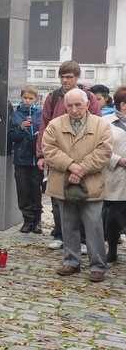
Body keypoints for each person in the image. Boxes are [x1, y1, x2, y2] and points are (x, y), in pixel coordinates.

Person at [42, 88, 112, 282]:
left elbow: (104, 152)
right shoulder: (55, 125)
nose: (74, 109)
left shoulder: (101, 125)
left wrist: (81, 169)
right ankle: (71, 261)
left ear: (88, 104)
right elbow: (49, 149)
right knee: (68, 224)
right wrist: (71, 166)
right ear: (65, 106)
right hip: (63, 183)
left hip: (92, 184)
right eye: (70, 105)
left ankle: (98, 266)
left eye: (78, 104)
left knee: (94, 225)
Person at [36, 61, 102, 250]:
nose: (65, 80)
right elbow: (44, 126)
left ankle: (81, 239)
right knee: (57, 197)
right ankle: (59, 234)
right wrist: (41, 155)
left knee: (82, 198)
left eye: (69, 77)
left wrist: (85, 163)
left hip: (84, 157)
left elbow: (97, 126)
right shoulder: (53, 97)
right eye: (62, 77)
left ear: (77, 77)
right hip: (58, 155)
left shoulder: (89, 97)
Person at [10, 85, 44, 234]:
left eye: (31, 98)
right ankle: (27, 219)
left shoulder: (41, 114)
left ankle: (37, 220)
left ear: (35, 98)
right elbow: (12, 137)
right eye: (25, 98)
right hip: (21, 157)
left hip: (36, 158)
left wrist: (39, 134)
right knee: (23, 190)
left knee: (36, 189)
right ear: (21, 98)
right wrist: (21, 128)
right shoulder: (16, 115)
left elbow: (47, 132)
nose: (28, 101)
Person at [103, 85, 126, 263]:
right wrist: (117, 160)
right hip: (115, 175)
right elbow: (99, 148)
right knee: (114, 216)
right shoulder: (106, 122)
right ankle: (112, 250)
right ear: (122, 105)